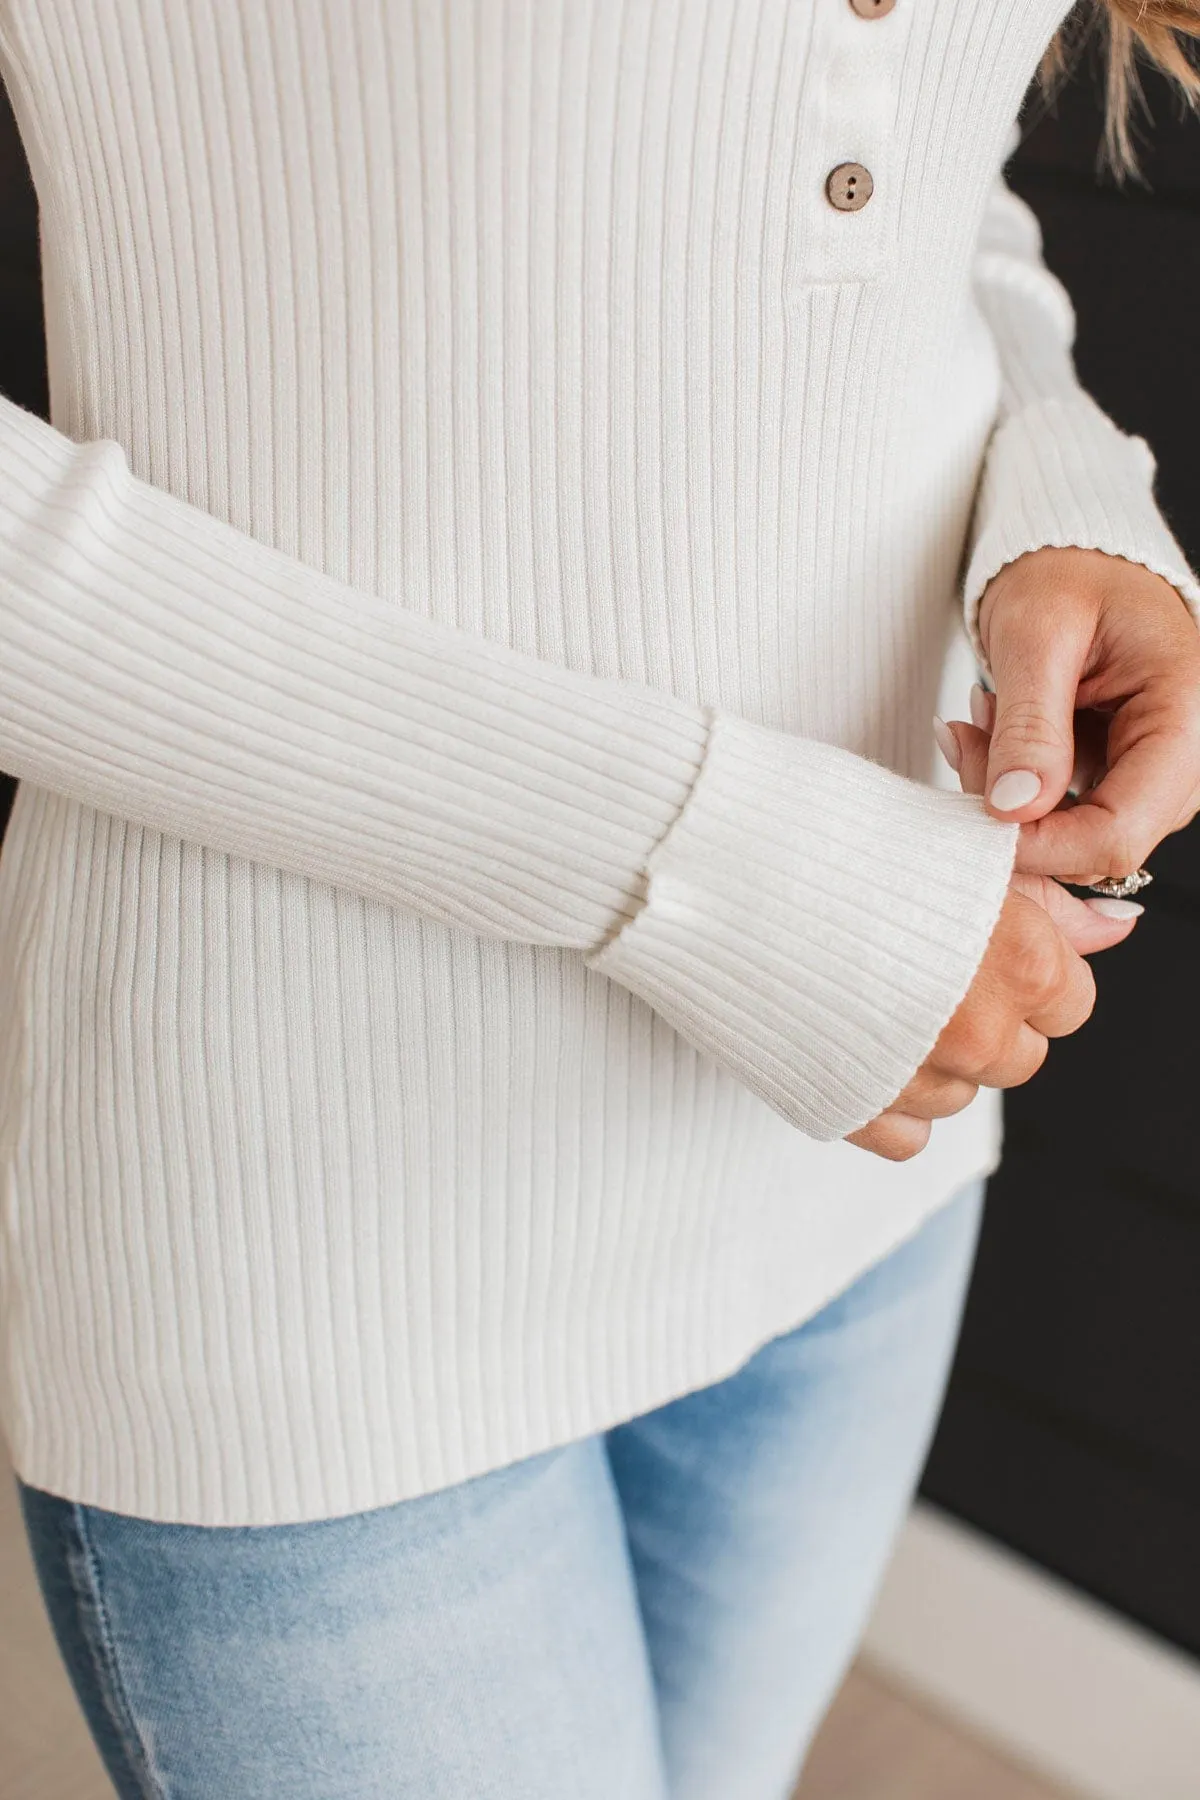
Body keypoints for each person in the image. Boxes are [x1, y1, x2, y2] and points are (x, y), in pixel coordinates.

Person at [2, 1, 1199, 1795]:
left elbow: (934, 199)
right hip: (325, 1211)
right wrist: (728, 876)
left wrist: (1069, 491)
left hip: (853, 1146)